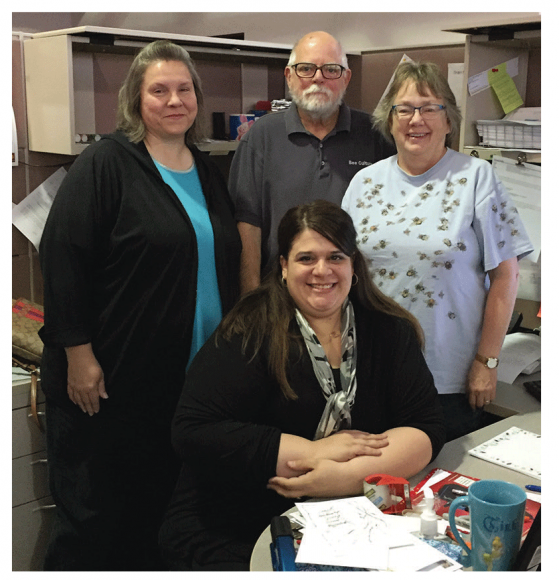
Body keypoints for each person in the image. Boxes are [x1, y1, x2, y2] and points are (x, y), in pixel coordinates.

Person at [38, 40, 241, 571]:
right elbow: (62, 256)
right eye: (159, 90)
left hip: (183, 381)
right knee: (98, 522)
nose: (174, 100)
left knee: (161, 517)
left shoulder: (206, 170)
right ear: (136, 98)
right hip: (114, 382)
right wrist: (78, 354)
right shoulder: (106, 163)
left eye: (184, 89)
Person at [158, 200, 445, 571]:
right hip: (236, 522)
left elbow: (426, 426)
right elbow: (192, 430)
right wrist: (312, 452)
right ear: (283, 266)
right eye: (306, 258)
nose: (322, 270)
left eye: (336, 257)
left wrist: (343, 478)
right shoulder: (249, 329)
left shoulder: (389, 330)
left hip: (345, 517)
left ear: (353, 264)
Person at [342, 61, 533, 442]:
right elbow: (344, 271)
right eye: (404, 109)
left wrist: (487, 361)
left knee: (439, 475)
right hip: (371, 368)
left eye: (430, 108)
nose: (417, 119)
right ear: (390, 120)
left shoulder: (476, 177)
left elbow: (505, 275)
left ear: (449, 120)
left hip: (447, 377)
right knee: (373, 473)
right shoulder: (364, 182)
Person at [229, 30, 395, 294]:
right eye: (306, 69)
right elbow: (248, 225)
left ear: (346, 78)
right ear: (289, 76)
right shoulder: (261, 136)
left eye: (331, 69)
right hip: (280, 296)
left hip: (355, 294)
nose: (318, 78)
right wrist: (251, 300)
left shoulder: (376, 135)